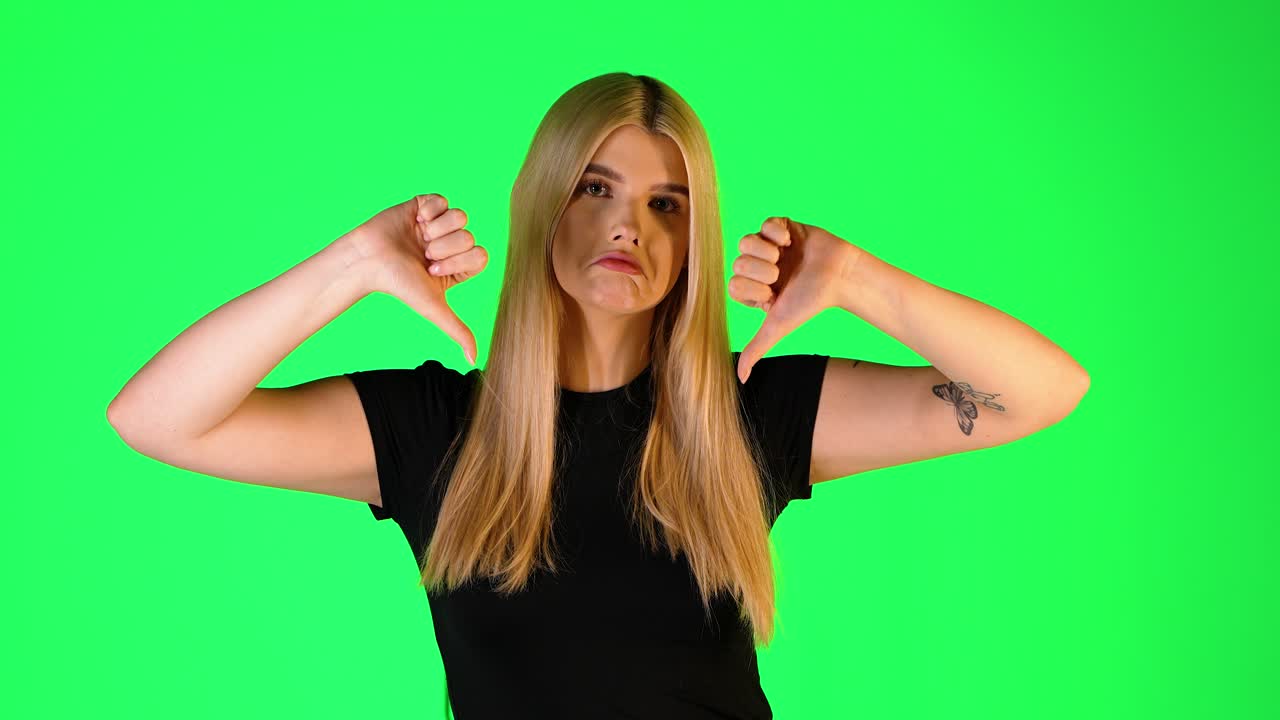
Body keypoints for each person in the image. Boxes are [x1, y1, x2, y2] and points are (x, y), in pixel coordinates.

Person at [107, 72, 1091, 718]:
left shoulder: (748, 413)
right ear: (542, 201)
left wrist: (857, 281)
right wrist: (353, 264)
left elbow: (1042, 392)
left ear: (694, 238)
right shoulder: (432, 432)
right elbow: (154, 418)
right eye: (595, 187)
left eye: (666, 204)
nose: (630, 226)